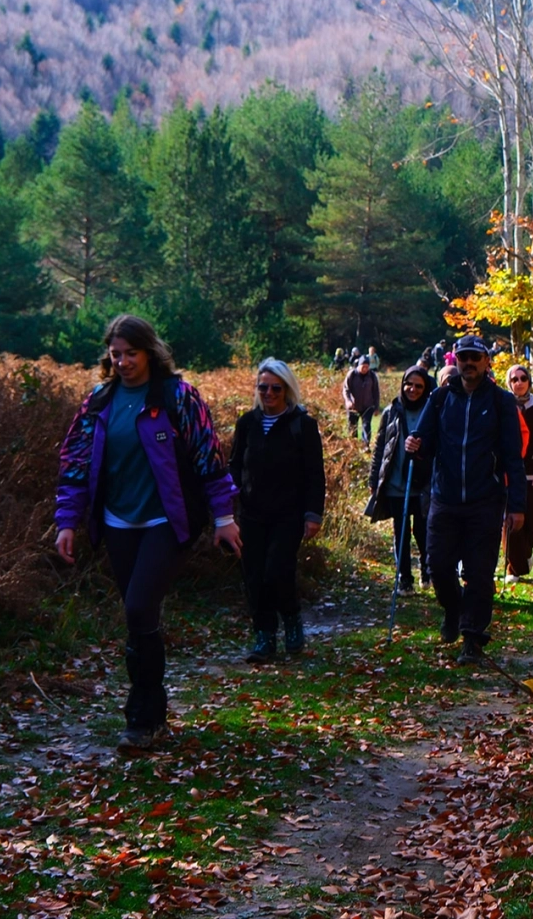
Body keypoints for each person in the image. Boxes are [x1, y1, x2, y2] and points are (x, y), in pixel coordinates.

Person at [54, 314, 240, 751]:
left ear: (150, 352)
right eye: (115, 354)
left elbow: (208, 457)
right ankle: (151, 713)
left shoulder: (178, 396)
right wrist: (66, 521)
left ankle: (140, 716)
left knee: (139, 606)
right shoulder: (99, 401)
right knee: (140, 617)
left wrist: (223, 517)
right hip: (118, 523)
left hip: (167, 522)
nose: (122, 362)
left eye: (131, 354)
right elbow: (75, 464)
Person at [404, 334, 525, 663]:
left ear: (486, 361)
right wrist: (415, 445)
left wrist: (517, 505)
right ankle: (453, 608)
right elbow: (424, 442)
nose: (468, 363)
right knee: (438, 566)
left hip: (485, 500)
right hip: (444, 497)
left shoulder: (501, 402)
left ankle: (472, 638)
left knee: (479, 572)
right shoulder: (440, 398)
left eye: (475, 357)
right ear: (455, 361)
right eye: (463, 358)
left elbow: (513, 457)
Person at [229, 359, 326, 663]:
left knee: (277, 571)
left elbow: (315, 474)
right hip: (251, 514)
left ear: (287, 390)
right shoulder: (247, 423)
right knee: (254, 576)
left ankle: (292, 617)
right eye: (263, 387)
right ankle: (264, 636)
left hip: (289, 514)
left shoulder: (302, 425)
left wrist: (313, 514)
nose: (269, 393)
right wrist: (226, 510)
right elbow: (235, 466)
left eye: (276, 388)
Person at [367, 365, 434, 594]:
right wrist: (374, 478)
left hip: (423, 483)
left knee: (423, 531)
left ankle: (426, 570)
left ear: (425, 388)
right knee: (401, 532)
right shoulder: (391, 411)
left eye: (418, 386)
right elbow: (380, 447)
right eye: (408, 384)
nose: (412, 389)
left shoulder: (431, 411)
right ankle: (405, 579)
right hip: (396, 482)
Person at [504, 364, 533, 584]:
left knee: (531, 519)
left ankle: (526, 550)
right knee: (511, 519)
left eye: (523, 378)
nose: (519, 383)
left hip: (532, 474)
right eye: (514, 379)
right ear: (509, 383)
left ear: (529, 382)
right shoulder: (504, 407)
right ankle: (513, 567)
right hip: (509, 473)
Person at [342, 356, 380, 449]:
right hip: (353, 406)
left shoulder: (372, 376)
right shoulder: (352, 375)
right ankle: (353, 446)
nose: (365, 369)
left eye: (367, 367)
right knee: (352, 426)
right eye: (363, 366)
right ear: (359, 365)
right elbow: (346, 390)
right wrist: (348, 401)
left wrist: (376, 407)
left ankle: (365, 446)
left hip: (368, 406)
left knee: (366, 426)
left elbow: (376, 392)